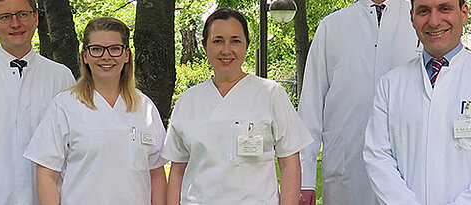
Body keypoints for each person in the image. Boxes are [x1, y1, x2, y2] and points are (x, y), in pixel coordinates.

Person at [162, 8, 313, 205]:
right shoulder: (188, 101)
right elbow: (177, 171)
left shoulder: (270, 94)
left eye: (235, 41)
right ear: (205, 46)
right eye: (217, 41)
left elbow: (289, 163)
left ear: (246, 46)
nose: (226, 50)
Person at [23, 17, 168, 204]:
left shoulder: (144, 107)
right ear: (85, 55)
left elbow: (156, 174)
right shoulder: (65, 106)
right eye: (97, 49)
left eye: (115, 49)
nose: (106, 57)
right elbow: (46, 174)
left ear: (126, 55)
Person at [298, 0, 421, 204]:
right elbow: (311, 104)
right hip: (347, 162)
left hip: (406, 167)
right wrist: (305, 179)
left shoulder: (421, 21)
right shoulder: (332, 26)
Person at [363, 0, 471, 204]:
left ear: (463, 13)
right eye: (424, 11)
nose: (434, 21)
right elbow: (377, 156)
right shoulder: (391, 84)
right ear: (412, 17)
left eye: (444, 9)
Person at [0, 0, 75, 204]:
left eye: (22, 14)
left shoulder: (61, 76)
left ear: (36, 18)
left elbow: (74, 145)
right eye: (5, 17)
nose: (15, 23)